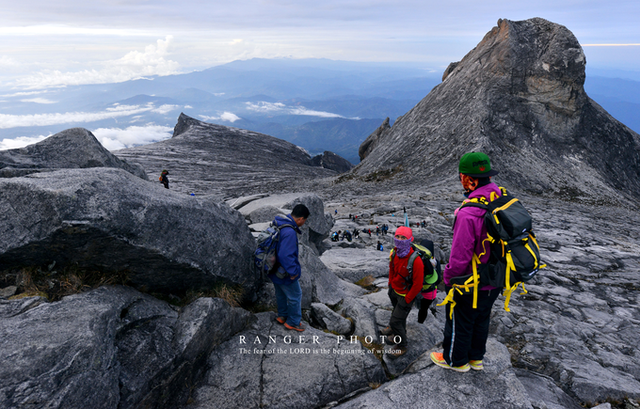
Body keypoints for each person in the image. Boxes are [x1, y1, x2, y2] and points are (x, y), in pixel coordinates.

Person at [431, 152, 501, 373]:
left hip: (472, 280)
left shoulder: (469, 212)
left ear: (468, 179)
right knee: (481, 318)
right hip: (497, 277)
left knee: (459, 320)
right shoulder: (500, 197)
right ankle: (476, 359)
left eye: (462, 176)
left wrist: (449, 279)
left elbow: (461, 255)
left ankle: (456, 360)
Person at [380, 226, 424, 357]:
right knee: (399, 317)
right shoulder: (395, 253)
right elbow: (392, 269)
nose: (399, 240)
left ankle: (402, 345)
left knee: (395, 320)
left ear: (410, 239)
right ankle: (399, 333)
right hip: (394, 291)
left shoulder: (416, 261)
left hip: (405, 295)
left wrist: (408, 299)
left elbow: (418, 284)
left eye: (403, 237)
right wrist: (390, 285)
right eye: (397, 236)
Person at [269, 204, 310, 332]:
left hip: (273, 268)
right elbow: (285, 255)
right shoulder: (290, 232)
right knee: (295, 295)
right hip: (283, 271)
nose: (304, 223)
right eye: (305, 220)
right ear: (301, 219)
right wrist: (292, 272)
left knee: (280, 293)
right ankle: (293, 322)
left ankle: (282, 315)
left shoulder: (280, 223)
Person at [417, 239, 440, 324]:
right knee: (423, 309)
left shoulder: (417, 259)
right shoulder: (435, 262)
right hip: (430, 293)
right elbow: (438, 280)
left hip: (417, 290)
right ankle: (420, 323)